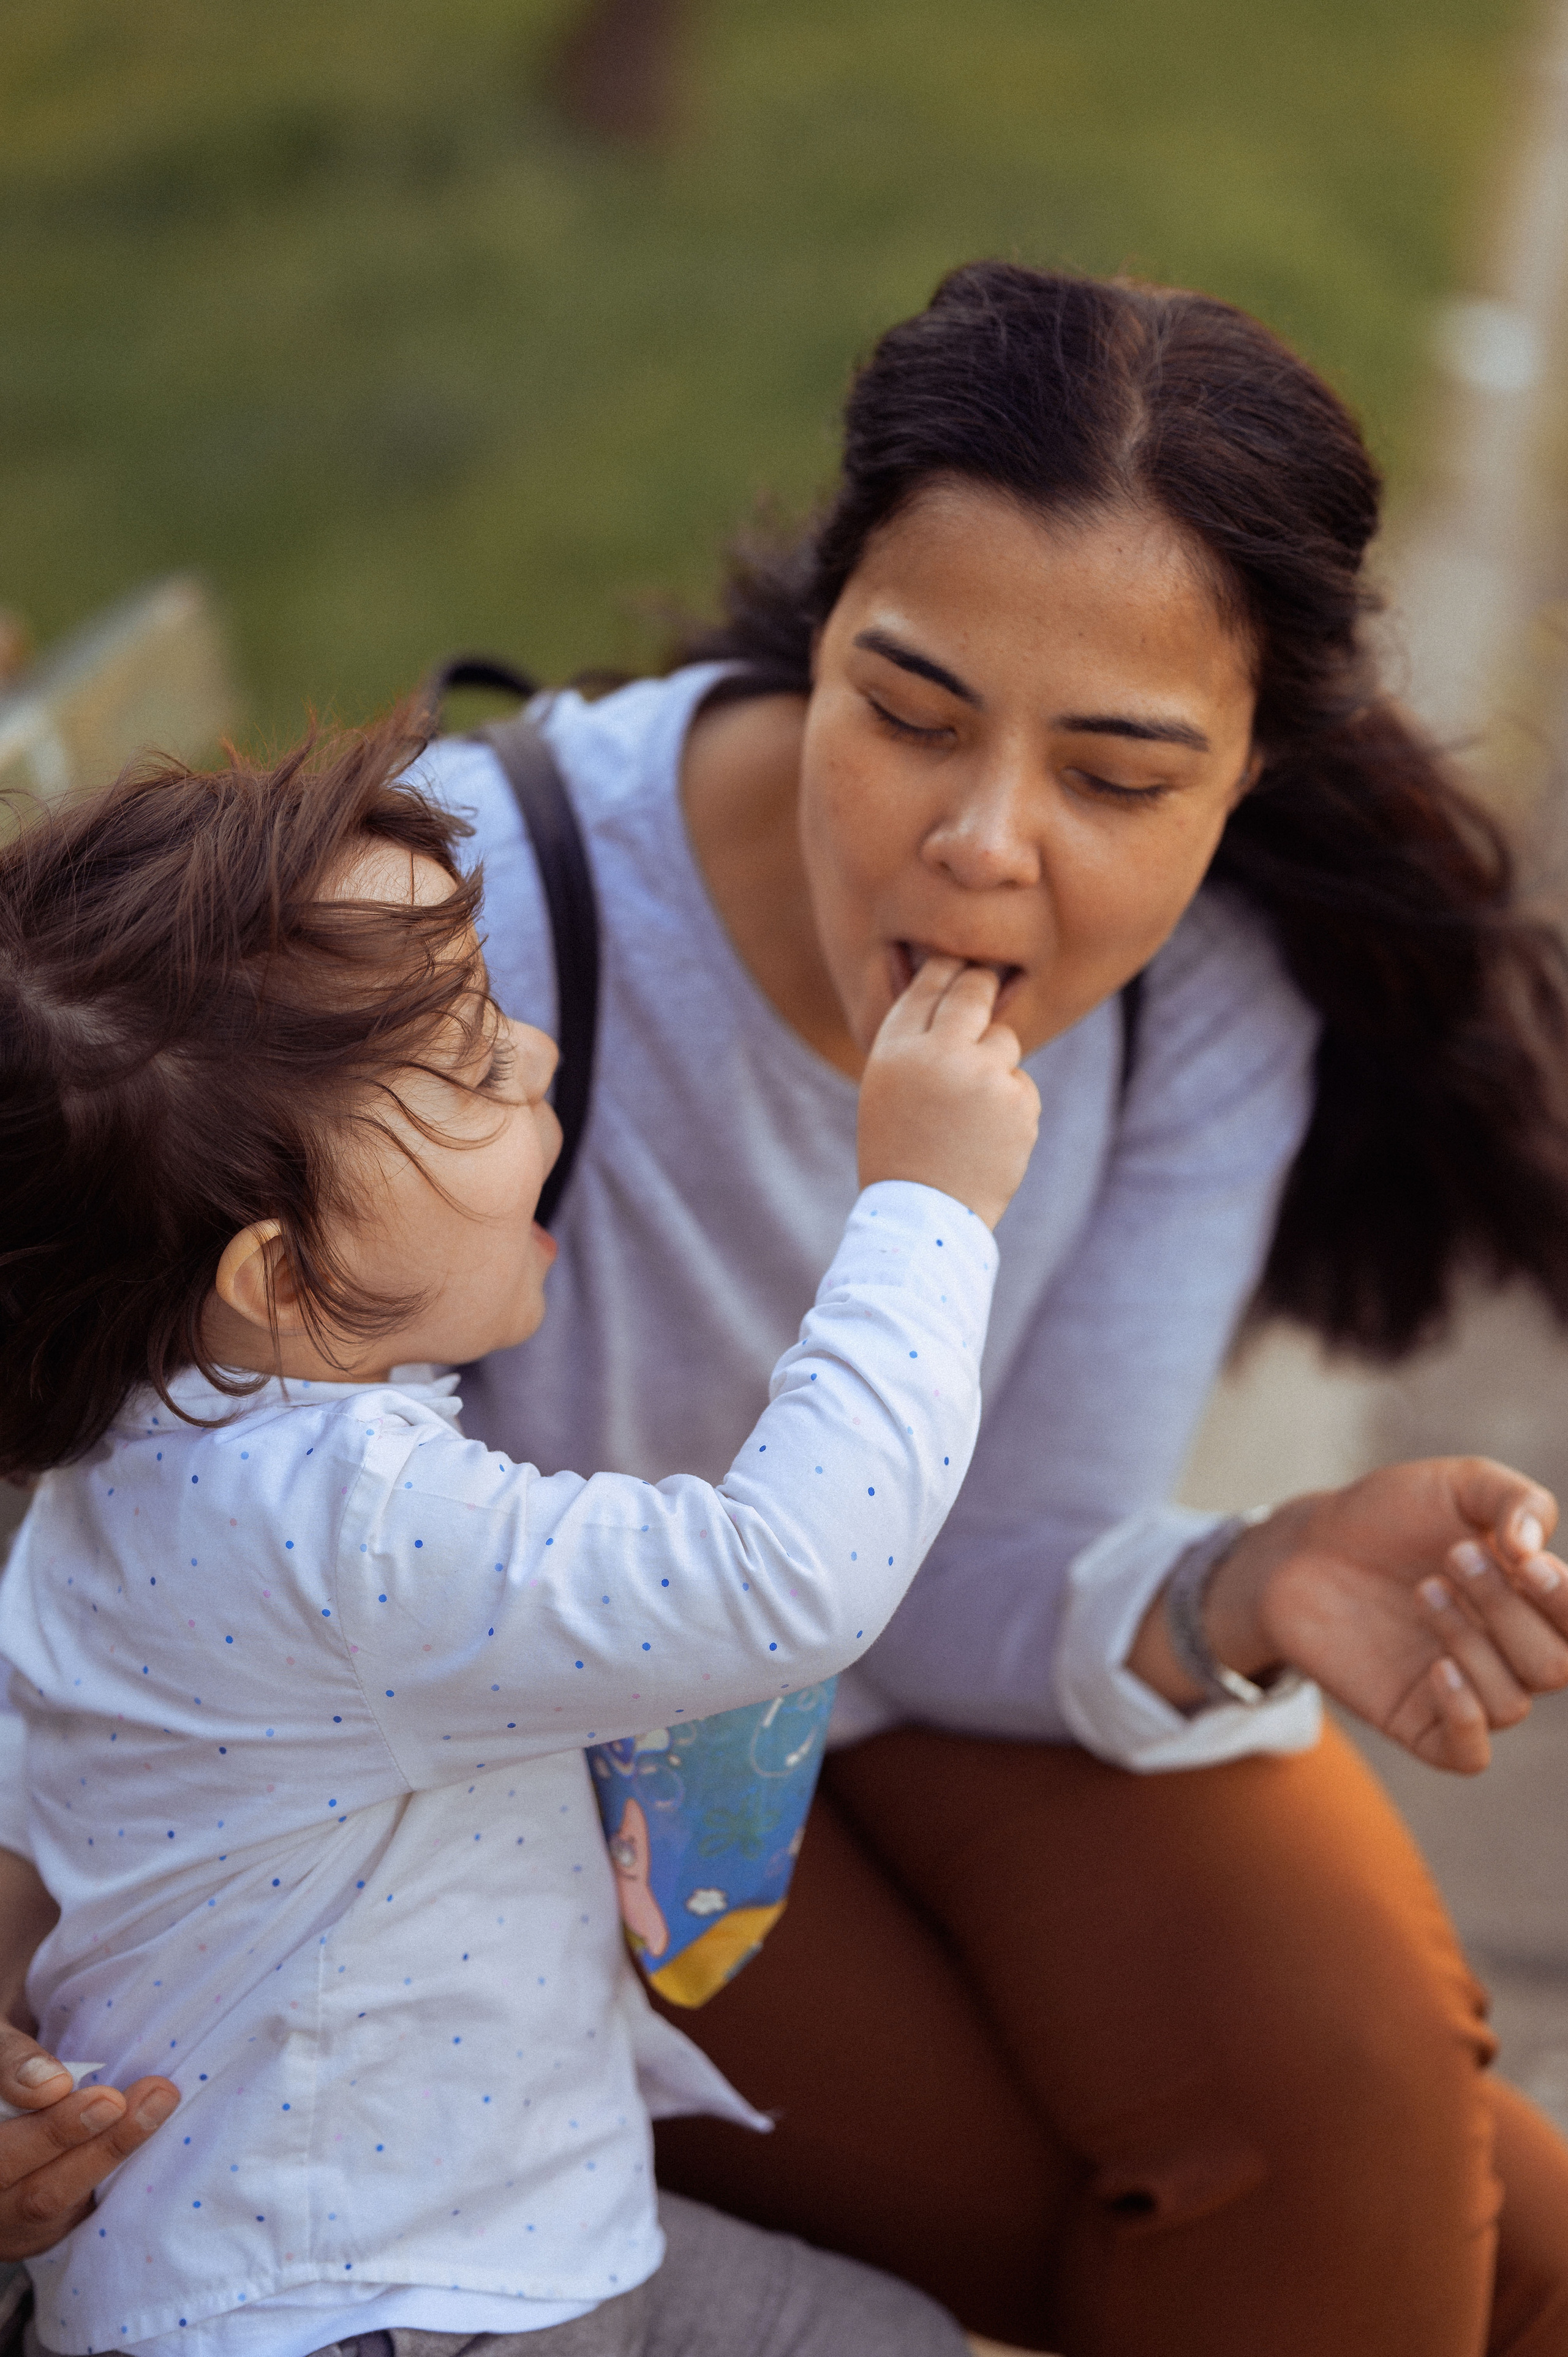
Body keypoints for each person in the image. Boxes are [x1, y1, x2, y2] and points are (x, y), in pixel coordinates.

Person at [6, 259, 1568, 2351]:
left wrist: (1245, 1585)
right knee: (1379, 2222)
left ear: (1251, 773)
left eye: (1117, 780)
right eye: (910, 716)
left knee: (1420, 2156)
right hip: (536, 1786)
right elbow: (156, 1510)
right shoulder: (471, 944)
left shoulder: (1206, 998)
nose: (985, 847)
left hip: (899, 1680)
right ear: (818, 639)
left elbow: (979, 1573)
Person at [0, 714, 1046, 2357]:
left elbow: (36, 1826)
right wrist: (929, 1205)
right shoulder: (339, 1522)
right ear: (283, 1278)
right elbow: (786, 1578)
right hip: (377, 2299)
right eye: (479, 1065)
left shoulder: (132, 1481)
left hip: (433, 2244)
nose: (543, 1056)